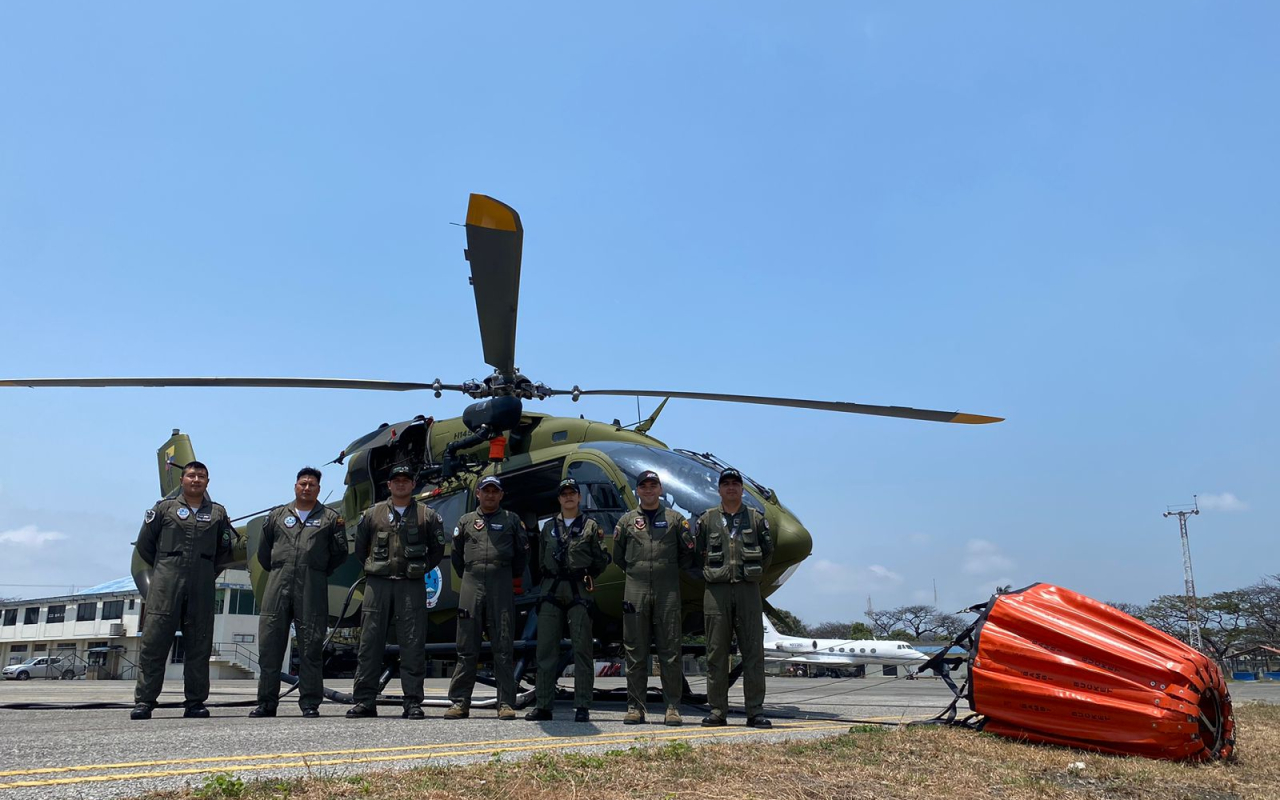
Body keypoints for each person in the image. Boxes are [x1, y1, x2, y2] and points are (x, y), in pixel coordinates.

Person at [131, 461, 238, 720]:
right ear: (182, 480)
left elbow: (226, 548)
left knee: (199, 644)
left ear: (207, 483)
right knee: (155, 643)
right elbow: (145, 546)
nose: (196, 480)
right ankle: (145, 701)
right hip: (166, 580)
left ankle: (195, 702)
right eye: (191, 475)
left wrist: (204, 570)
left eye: (201, 476)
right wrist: (166, 566)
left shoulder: (217, 513)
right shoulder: (164, 509)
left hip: (201, 583)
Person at [346, 465, 445, 719]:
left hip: (410, 585)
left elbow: (436, 551)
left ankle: (412, 701)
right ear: (389, 485)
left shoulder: (427, 515)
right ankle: (365, 700)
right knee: (369, 644)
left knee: (412, 644)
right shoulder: (372, 514)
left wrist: (417, 569)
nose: (401, 484)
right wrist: (376, 568)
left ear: (413, 485)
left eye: (406, 480)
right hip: (377, 585)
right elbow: (360, 550)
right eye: (396, 480)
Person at [251, 467, 347, 718]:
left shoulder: (330, 518)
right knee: (270, 645)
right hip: (278, 583)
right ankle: (266, 703)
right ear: (295, 486)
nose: (306, 487)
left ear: (319, 489)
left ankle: (310, 703)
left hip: (312, 586)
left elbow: (339, 553)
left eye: (312, 484)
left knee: (311, 646)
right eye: (302, 483)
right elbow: (264, 552)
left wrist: (314, 569)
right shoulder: (277, 516)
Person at [525, 478, 611, 723]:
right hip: (551, 589)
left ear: (579, 498)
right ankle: (543, 705)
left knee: (583, 649)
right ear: (559, 499)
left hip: (578, 591)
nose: (569, 497)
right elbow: (541, 560)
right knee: (545, 650)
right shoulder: (548, 527)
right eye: (564, 494)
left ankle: (582, 705)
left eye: (573, 493)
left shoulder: (591, 527)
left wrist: (584, 576)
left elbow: (600, 559)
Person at [613, 470, 695, 726]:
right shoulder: (626, 522)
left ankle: (672, 706)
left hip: (667, 590)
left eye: (653, 486)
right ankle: (635, 707)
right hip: (635, 588)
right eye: (644, 487)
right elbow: (619, 556)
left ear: (660, 490)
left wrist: (664, 570)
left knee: (670, 650)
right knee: (635, 651)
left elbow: (687, 554)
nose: (648, 490)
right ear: (637, 490)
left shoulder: (674, 520)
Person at [445, 475, 528, 720]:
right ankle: (460, 702)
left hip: (500, 582)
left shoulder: (512, 520)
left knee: (503, 645)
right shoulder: (466, 521)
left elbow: (521, 555)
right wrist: (471, 575)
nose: (490, 495)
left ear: (501, 495)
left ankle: (505, 703)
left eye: (495, 491)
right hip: (471, 581)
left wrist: (505, 575)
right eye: (486, 491)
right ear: (478, 494)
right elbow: (457, 556)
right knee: (466, 645)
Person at [695, 468, 774, 728]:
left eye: (735, 484)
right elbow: (697, 553)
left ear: (742, 489)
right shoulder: (706, 520)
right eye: (725, 484)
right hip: (716, 591)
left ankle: (755, 711)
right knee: (716, 653)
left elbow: (768, 552)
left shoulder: (756, 519)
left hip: (748, 590)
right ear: (719, 490)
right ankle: (717, 710)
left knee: (753, 652)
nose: (731, 488)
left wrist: (751, 574)